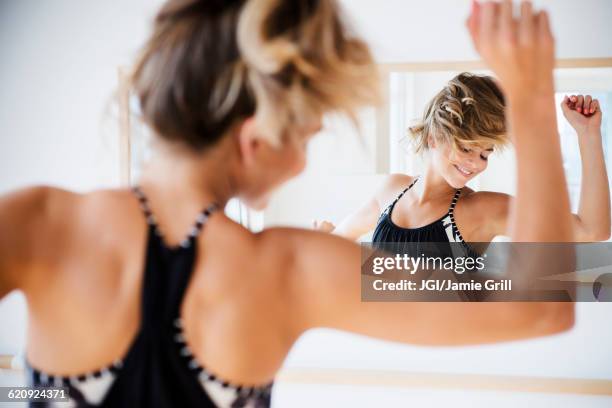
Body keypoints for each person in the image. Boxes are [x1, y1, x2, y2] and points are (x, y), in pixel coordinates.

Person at [0, 0, 575, 407]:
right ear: (254, 138)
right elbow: (544, 308)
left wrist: (33, 389)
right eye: (306, 137)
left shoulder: (37, 221)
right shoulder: (290, 268)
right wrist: (527, 96)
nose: (301, 162)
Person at [315, 83, 610, 246]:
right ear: (433, 137)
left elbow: (591, 230)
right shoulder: (392, 190)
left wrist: (587, 134)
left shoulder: (481, 210)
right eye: (467, 148)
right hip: (382, 349)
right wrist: (323, 237)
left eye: (485, 153)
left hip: (445, 353)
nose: (476, 163)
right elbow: (340, 238)